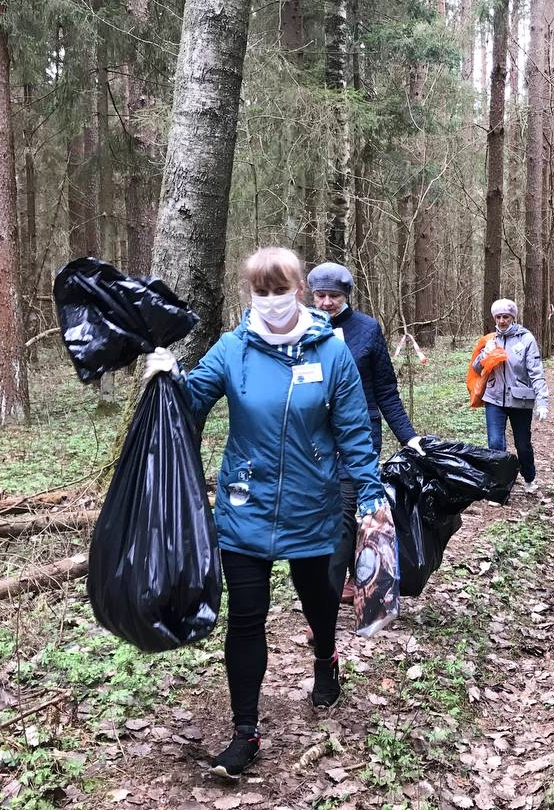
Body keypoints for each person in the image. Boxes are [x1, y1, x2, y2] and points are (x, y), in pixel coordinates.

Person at [142, 248, 393, 782]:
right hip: (244, 506)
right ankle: (244, 732)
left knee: (320, 602)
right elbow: (191, 407)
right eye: (261, 292)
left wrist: (370, 494)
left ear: (299, 291)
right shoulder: (232, 349)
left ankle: (325, 659)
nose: (271, 301)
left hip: (312, 507)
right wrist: (166, 383)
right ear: (250, 294)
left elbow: (353, 430)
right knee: (246, 619)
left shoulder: (332, 353)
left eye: (280, 291)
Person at [308, 262, 422, 606]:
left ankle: (325, 605)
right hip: (313, 439)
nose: (327, 302)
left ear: (347, 296)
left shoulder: (367, 330)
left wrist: (409, 437)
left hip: (359, 437)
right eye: (321, 295)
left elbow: (386, 390)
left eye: (334, 296)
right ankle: (341, 582)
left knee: (344, 514)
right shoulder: (301, 330)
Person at [471, 299, 549, 493]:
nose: (502, 321)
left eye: (506, 317)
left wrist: (542, 402)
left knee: (523, 445)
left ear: (513, 318)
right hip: (494, 398)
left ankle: (529, 478)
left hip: (520, 400)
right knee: (495, 443)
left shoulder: (526, 339)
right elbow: (476, 367)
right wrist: (484, 355)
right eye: (498, 317)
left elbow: (536, 372)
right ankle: (501, 486)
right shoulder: (490, 340)